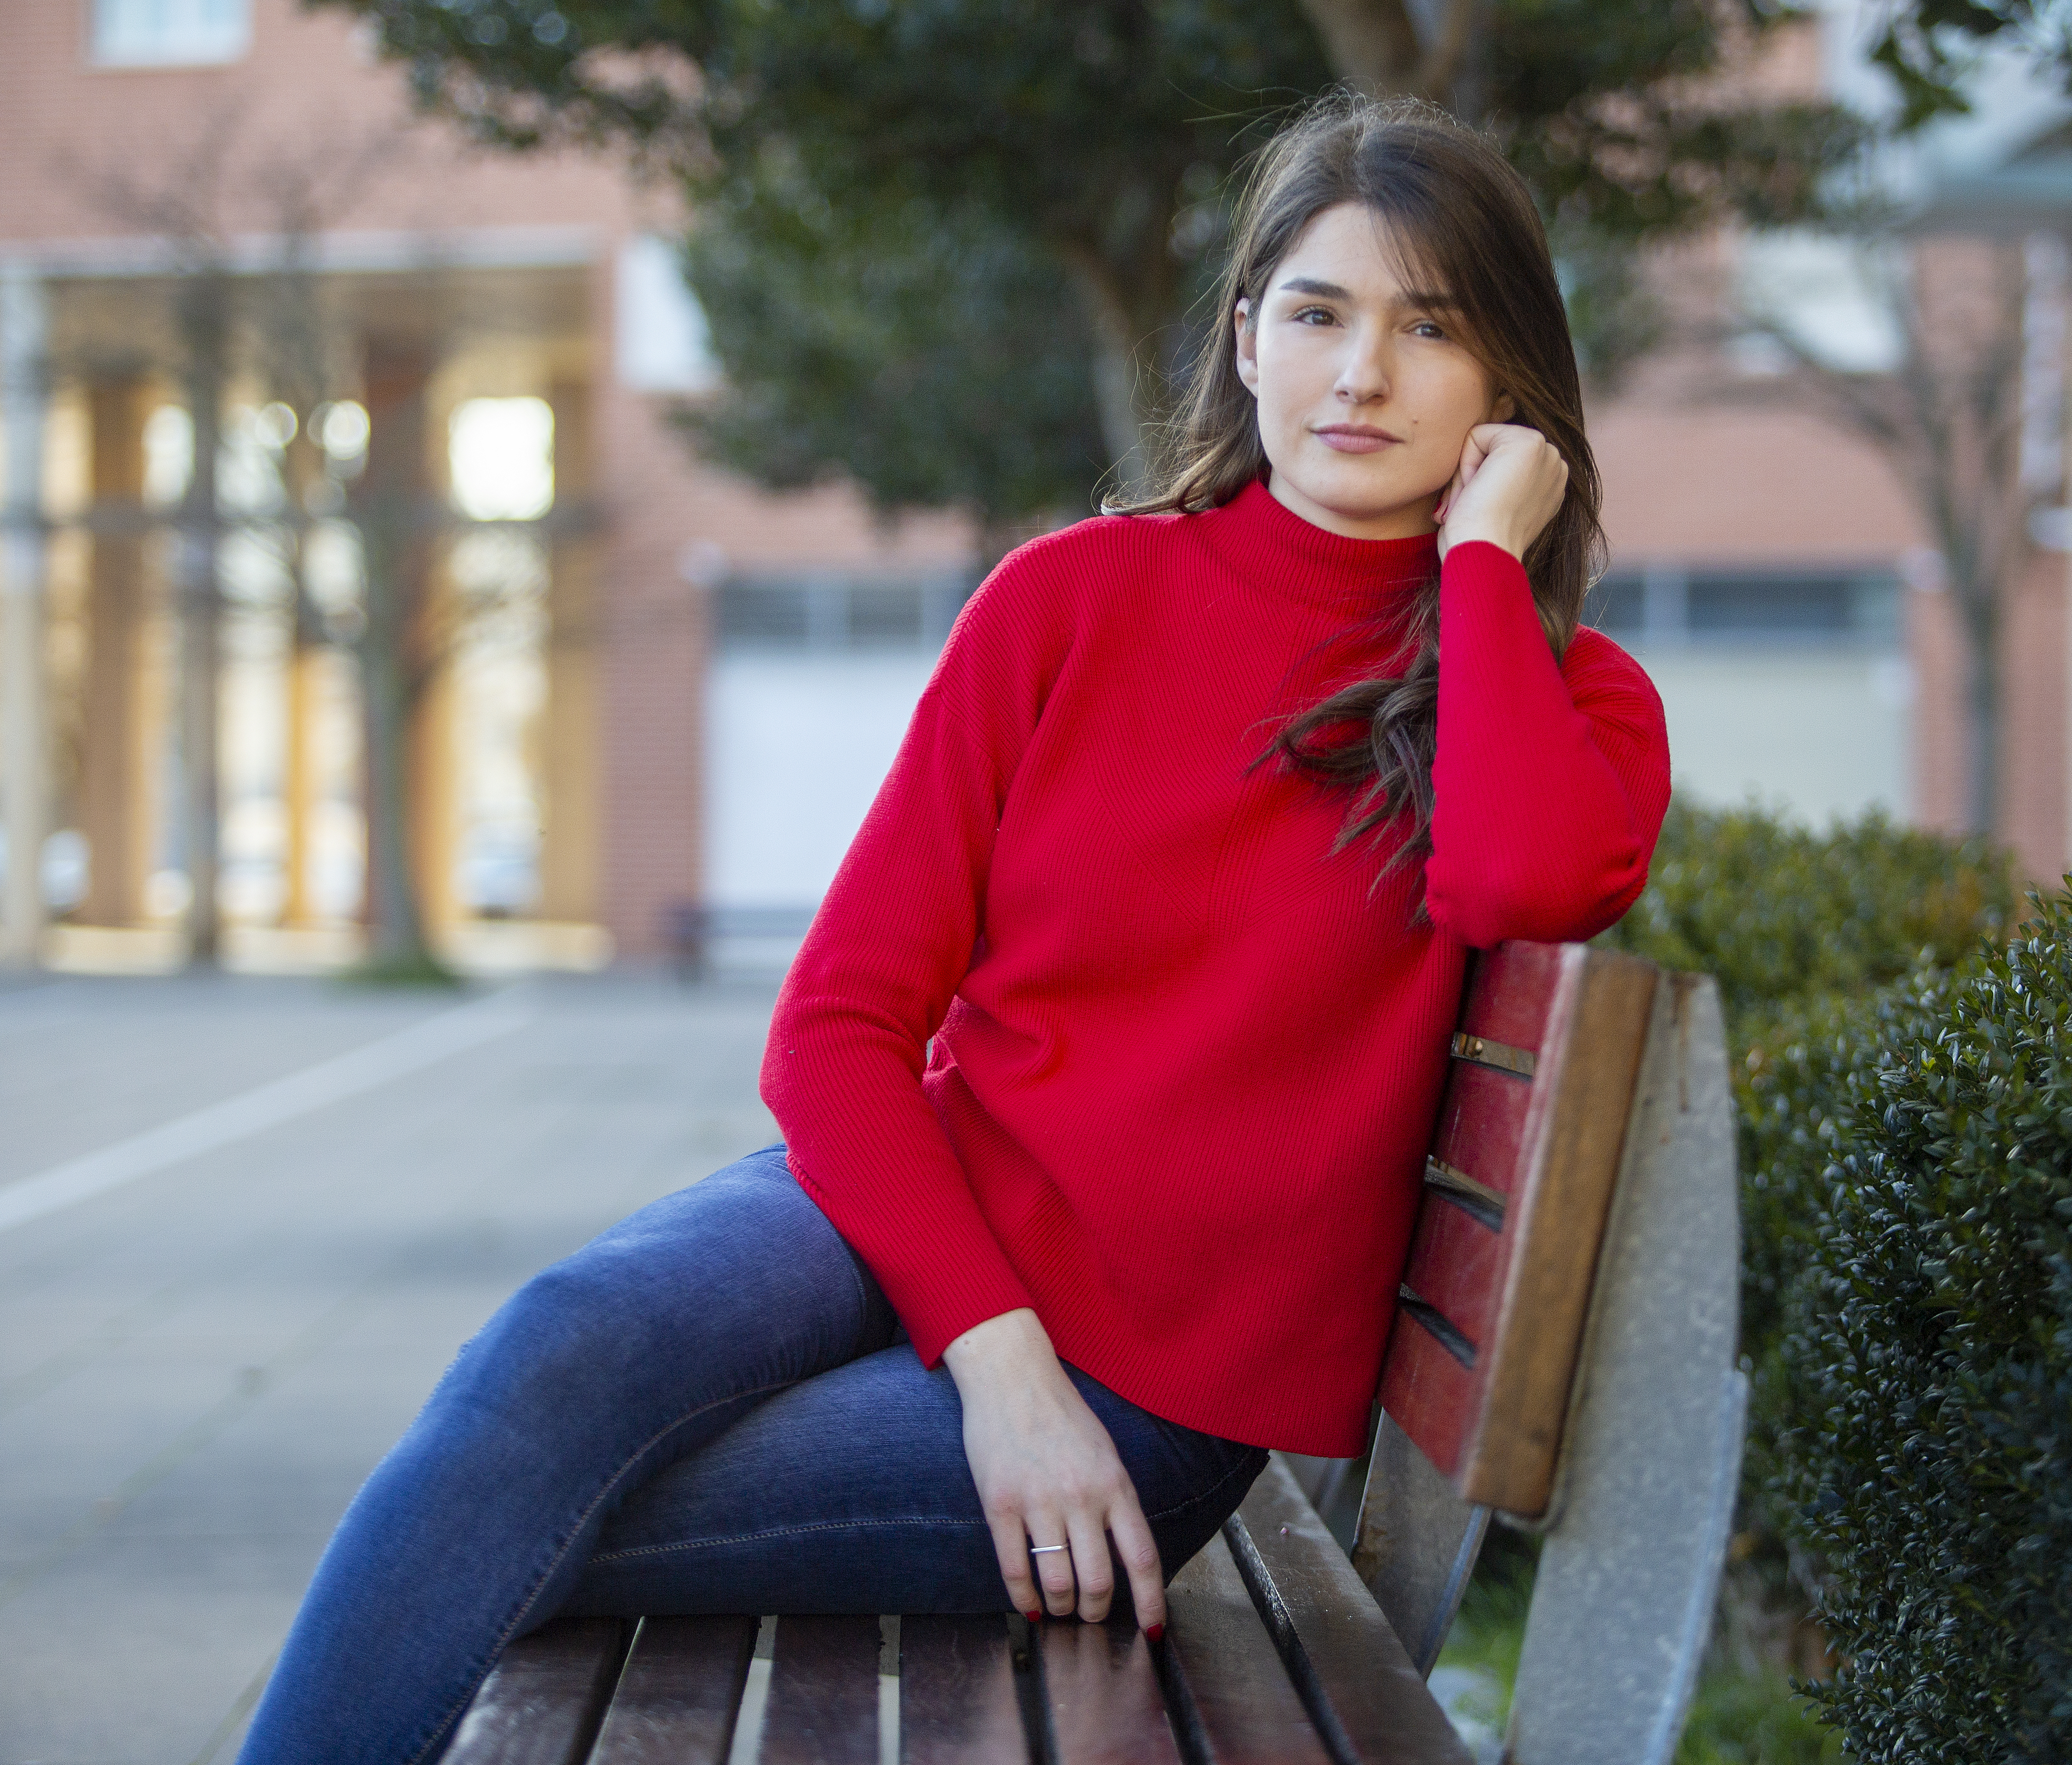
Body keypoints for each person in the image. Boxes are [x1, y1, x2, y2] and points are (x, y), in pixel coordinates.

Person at [235, 93, 1670, 1764]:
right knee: (542, 1373)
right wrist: (1000, 1375)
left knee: (498, 1496)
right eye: (1319, 312)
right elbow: (836, 1023)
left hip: (1150, 1390)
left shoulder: (1566, 702)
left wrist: (1482, 568)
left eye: (1430, 328)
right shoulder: (1067, 604)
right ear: (1246, 342)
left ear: (1510, 390)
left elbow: (1514, 882)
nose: (1362, 372)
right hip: (909, 1214)